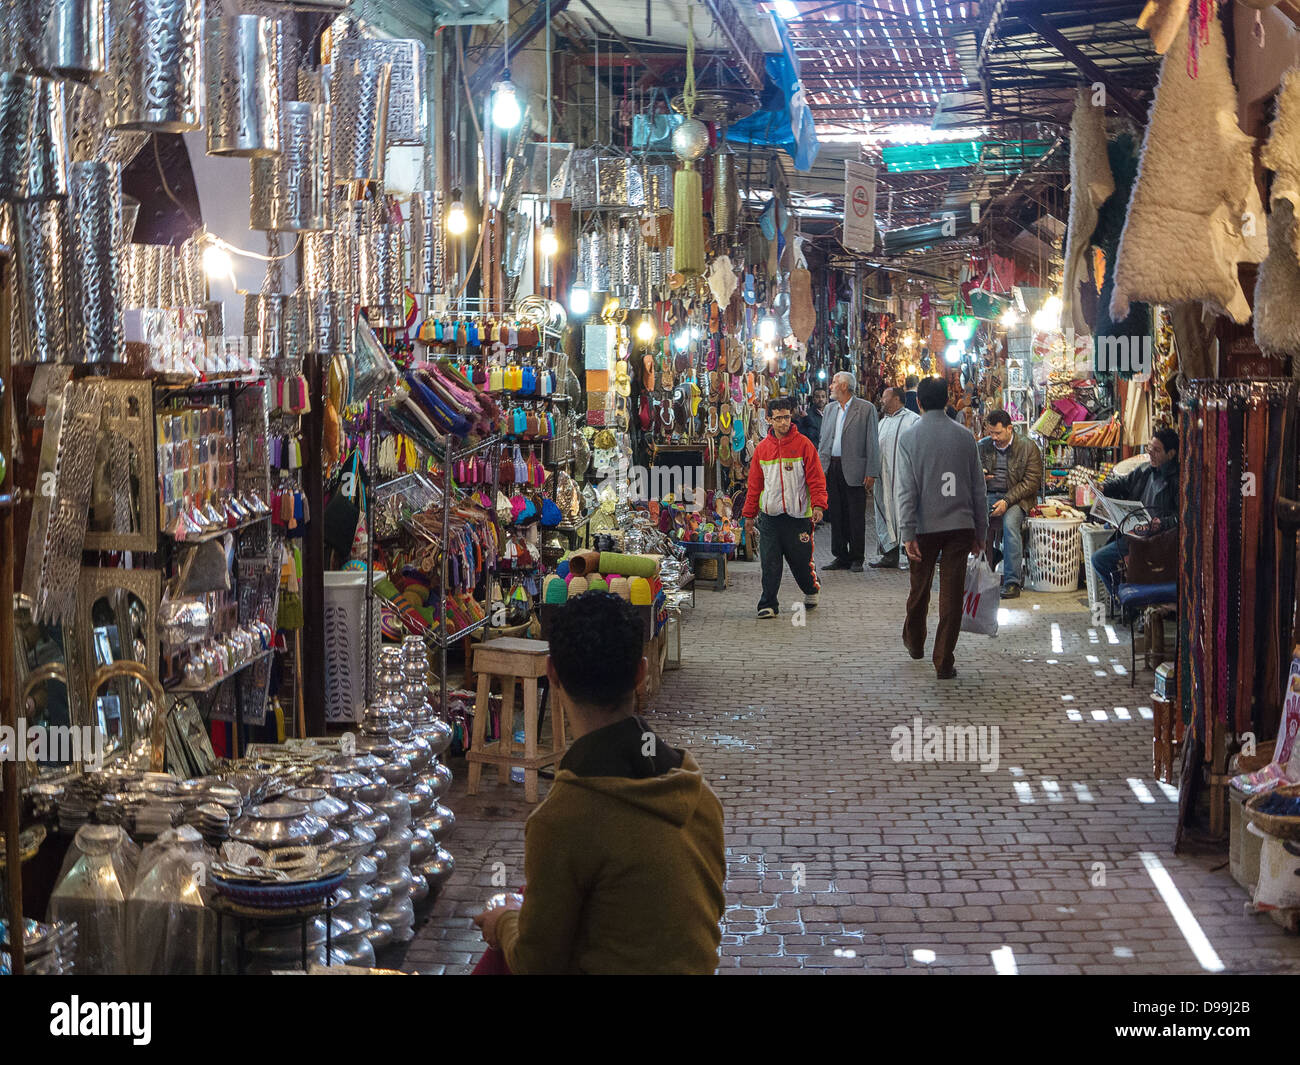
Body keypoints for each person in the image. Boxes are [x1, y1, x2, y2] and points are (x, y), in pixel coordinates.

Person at [472, 592, 726, 974]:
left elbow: (536, 965)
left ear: (551, 673)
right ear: (640, 674)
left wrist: (503, 921)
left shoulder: (562, 821)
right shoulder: (699, 795)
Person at [896, 376, 988, 679]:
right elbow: (978, 490)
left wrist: (907, 532)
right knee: (951, 595)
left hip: (924, 526)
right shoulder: (965, 437)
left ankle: (915, 641)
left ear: (919, 402)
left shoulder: (909, 438)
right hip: (960, 527)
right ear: (948, 400)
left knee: (919, 588)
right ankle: (943, 660)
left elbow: (906, 491)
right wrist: (981, 533)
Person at [743, 396, 828, 619]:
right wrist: (749, 515)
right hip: (770, 517)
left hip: (799, 516)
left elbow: (816, 479)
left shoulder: (804, 446)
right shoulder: (761, 450)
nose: (784, 423)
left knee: (801, 562)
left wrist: (819, 505)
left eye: (787, 417)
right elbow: (754, 485)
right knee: (770, 562)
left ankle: (811, 588)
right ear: (769, 419)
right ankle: (768, 603)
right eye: (779, 418)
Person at [1090, 427, 1180, 599]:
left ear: (1171, 454)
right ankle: (1124, 601)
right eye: (1149, 448)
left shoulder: (1178, 480)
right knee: (1099, 559)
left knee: (1140, 570)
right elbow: (1123, 483)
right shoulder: (1144, 470)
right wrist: (1103, 487)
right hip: (1135, 535)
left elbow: (1181, 516)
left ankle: (1138, 602)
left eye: (1157, 450)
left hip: (1160, 540)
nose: (1151, 454)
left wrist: (1162, 523)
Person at [818, 371, 881, 572]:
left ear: (844, 386)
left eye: (834, 382)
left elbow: (872, 442)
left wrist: (871, 471)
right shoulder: (829, 409)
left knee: (855, 515)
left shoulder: (865, 409)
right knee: (836, 514)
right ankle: (840, 556)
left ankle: (856, 557)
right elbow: (824, 440)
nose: (831, 386)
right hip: (833, 466)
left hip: (855, 468)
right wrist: (820, 468)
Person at [978, 409, 1043, 599]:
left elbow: (1031, 482)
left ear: (1009, 429)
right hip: (989, 495)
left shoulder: (1028, 447)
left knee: (1010, 524)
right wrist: (980, 475)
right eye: (990, 433)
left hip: (1017, 498)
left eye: (998, 433)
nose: (994, 438)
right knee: (974, 519)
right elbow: (971, 472)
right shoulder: (983, 446)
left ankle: (1012, 581)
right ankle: (986, 565)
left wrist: (1006, 501)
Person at [871, 386, 920, 569]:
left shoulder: (913, 421)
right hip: (883, 479)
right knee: (884, 513)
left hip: (903, 480)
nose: (882, 400)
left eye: (885, 397)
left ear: (897, 399)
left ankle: (909, 554)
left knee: (904, 515)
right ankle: (889, 555)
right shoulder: (881, 422)